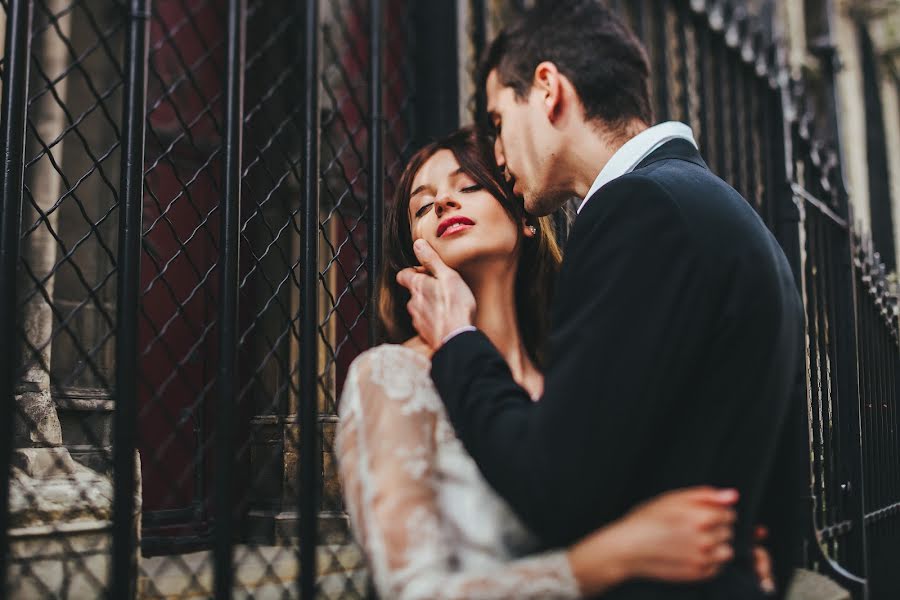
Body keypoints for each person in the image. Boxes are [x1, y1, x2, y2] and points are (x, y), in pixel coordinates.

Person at [396, 2, 805, 599]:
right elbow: (780, 521)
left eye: (497, 120)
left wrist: (458, 340)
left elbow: (556, 487)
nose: (498, 155)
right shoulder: (727, 216)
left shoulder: (639, 213)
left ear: (547, 89)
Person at [336, 127, 763, 599]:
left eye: (469, 185)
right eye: (421, 205)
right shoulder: (390, 377)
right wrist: (608, 559)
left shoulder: (574, 378)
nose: (442, 204)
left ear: (525, 218)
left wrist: (712, 552)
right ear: (413, 253)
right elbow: (411, 592)